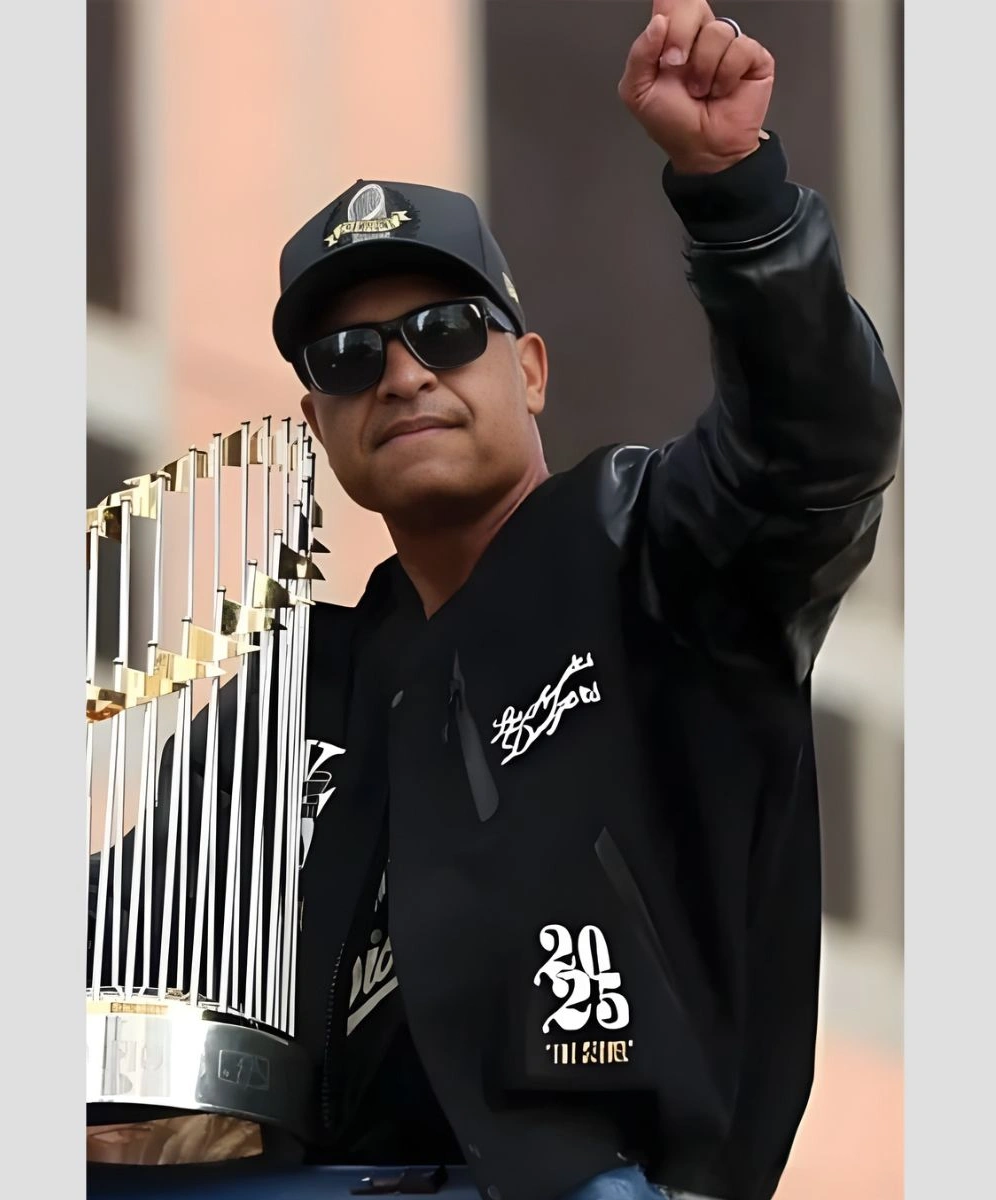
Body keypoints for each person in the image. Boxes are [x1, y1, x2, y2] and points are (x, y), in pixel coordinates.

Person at [90, 3, 902, 1199]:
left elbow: (814, 447)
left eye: (445, 330)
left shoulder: (649, 550)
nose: (401, 373)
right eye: (350, 358)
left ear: (528, 369)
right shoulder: (281, 708)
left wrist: (737, 193)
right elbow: (103, 952)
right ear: (318, 422)